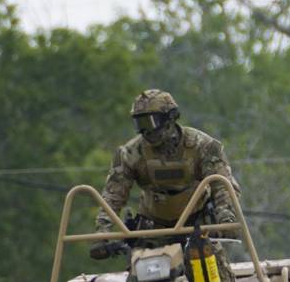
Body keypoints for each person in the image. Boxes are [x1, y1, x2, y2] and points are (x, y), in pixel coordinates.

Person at [91, 89, 241, 260]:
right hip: (153, 229)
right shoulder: (131, 153)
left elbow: (222, 186)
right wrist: (102, 233)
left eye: (150, 122)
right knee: (142, 278)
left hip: (197, 227)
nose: (145, 131)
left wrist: (226, 219)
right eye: (140, 124)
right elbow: (113, 195)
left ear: (170, 118)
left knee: (212, 277)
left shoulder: (203, 146)